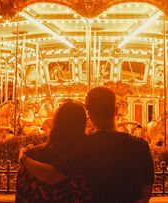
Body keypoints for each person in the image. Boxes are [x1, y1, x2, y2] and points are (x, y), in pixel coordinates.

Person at [24, 87, 155, 203]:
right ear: (116, 111)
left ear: (89, 114)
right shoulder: (141, 146)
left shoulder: (84, 145)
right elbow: (146, 192)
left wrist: (23, 159)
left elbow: (52, 175)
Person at [15, 100, 92, 203]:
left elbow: (24, 192)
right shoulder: (83, 149)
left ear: (56, 122)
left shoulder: (31, 156)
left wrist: (24, 158)